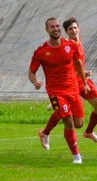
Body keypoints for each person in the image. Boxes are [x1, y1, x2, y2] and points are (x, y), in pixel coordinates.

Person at [28, 17, 90, 164]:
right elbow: (31, 72)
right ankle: (76, 156)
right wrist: (35, 82)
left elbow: (78, 63)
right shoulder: (42, 51)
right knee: (68, 121)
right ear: (47, 30)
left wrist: (85, 83)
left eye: (57, 26)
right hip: (55, 91)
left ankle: (44, 133)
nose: (55, 29)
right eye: (52, 27)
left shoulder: (70, 45)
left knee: (79, 123)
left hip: (73, 89)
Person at [43, 17, 97, 144]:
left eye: (75, 28)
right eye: (70, 29)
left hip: (83, 82)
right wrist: (81, 73)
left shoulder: (79, 41)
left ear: (79, 29)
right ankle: (46, 132)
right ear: (66, 32)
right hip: (71, 85)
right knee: (71, 119)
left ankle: (89, 132)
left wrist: (83, 75)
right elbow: (64, 69)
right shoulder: (66, 46)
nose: (74, 30)